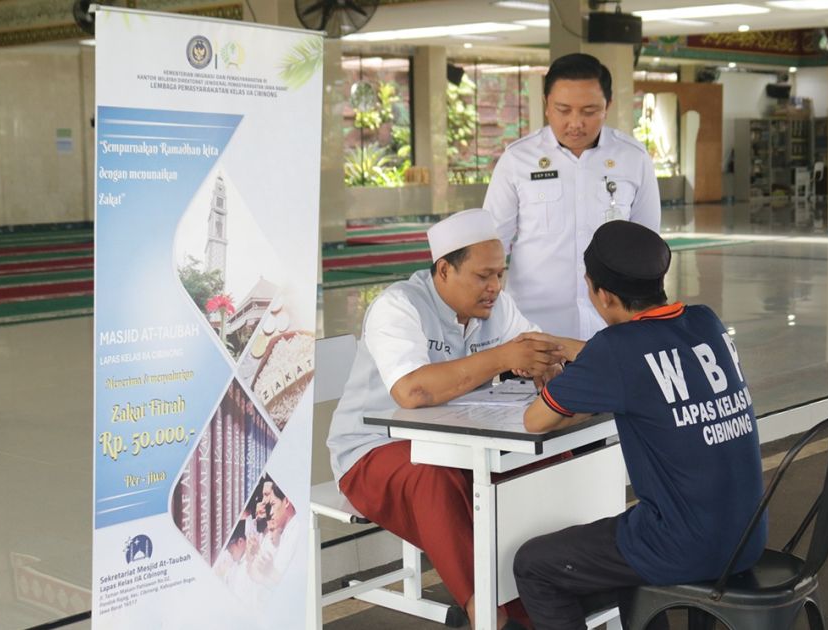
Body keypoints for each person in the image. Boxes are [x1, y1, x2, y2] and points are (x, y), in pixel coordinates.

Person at [512, 221, 766, 630]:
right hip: (745, 536)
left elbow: (535, 419)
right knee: (621, 550)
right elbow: (638, 354)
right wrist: (562, 348)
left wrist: (555, 370)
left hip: (682, 545)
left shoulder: (616, 351)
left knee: (533, 564)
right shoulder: (706, 322)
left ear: (604, 295)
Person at [326, 208, 565, 629]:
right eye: (482, 276)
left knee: (535, 466)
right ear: (443, 271)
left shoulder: (500, 308)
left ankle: (542, 597)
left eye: (500, 275)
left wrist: (547, 363)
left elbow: (542, 347)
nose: (495, 288)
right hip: (371, 451)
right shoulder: (398, 306)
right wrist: (504, 357)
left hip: (459, 443)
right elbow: (412, 392)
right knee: (435, 478)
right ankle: (488, 613)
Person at [484, 53, 661, 340]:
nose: (575, 123)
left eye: (589, 111)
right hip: (533, 328)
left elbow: (647, 247)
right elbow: (492, 243)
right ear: (546, 106)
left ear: (608, 107)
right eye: (563, 110)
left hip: (614, 328)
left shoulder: (633, 158)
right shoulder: (518, 159)